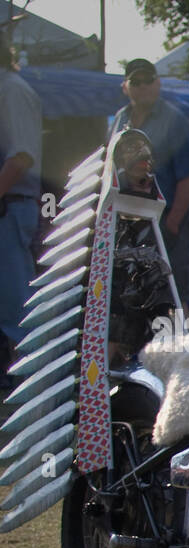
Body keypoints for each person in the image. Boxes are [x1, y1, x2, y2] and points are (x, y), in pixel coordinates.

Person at [108, 59, 189, 311]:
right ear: (125, 87)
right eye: (135, 82)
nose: (143, 86)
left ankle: (180, 351)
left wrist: (171, 226)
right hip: (127, 227)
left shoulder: (175, 120)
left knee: (172, 301)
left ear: (158, 83)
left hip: (166, 224)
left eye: (148, 80)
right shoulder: (119, 120)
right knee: (127, 302)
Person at [0, 25, 41, 384]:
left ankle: (35, 398)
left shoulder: (11, 90)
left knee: (19, 314)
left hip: (10, 211)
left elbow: (22, 156)